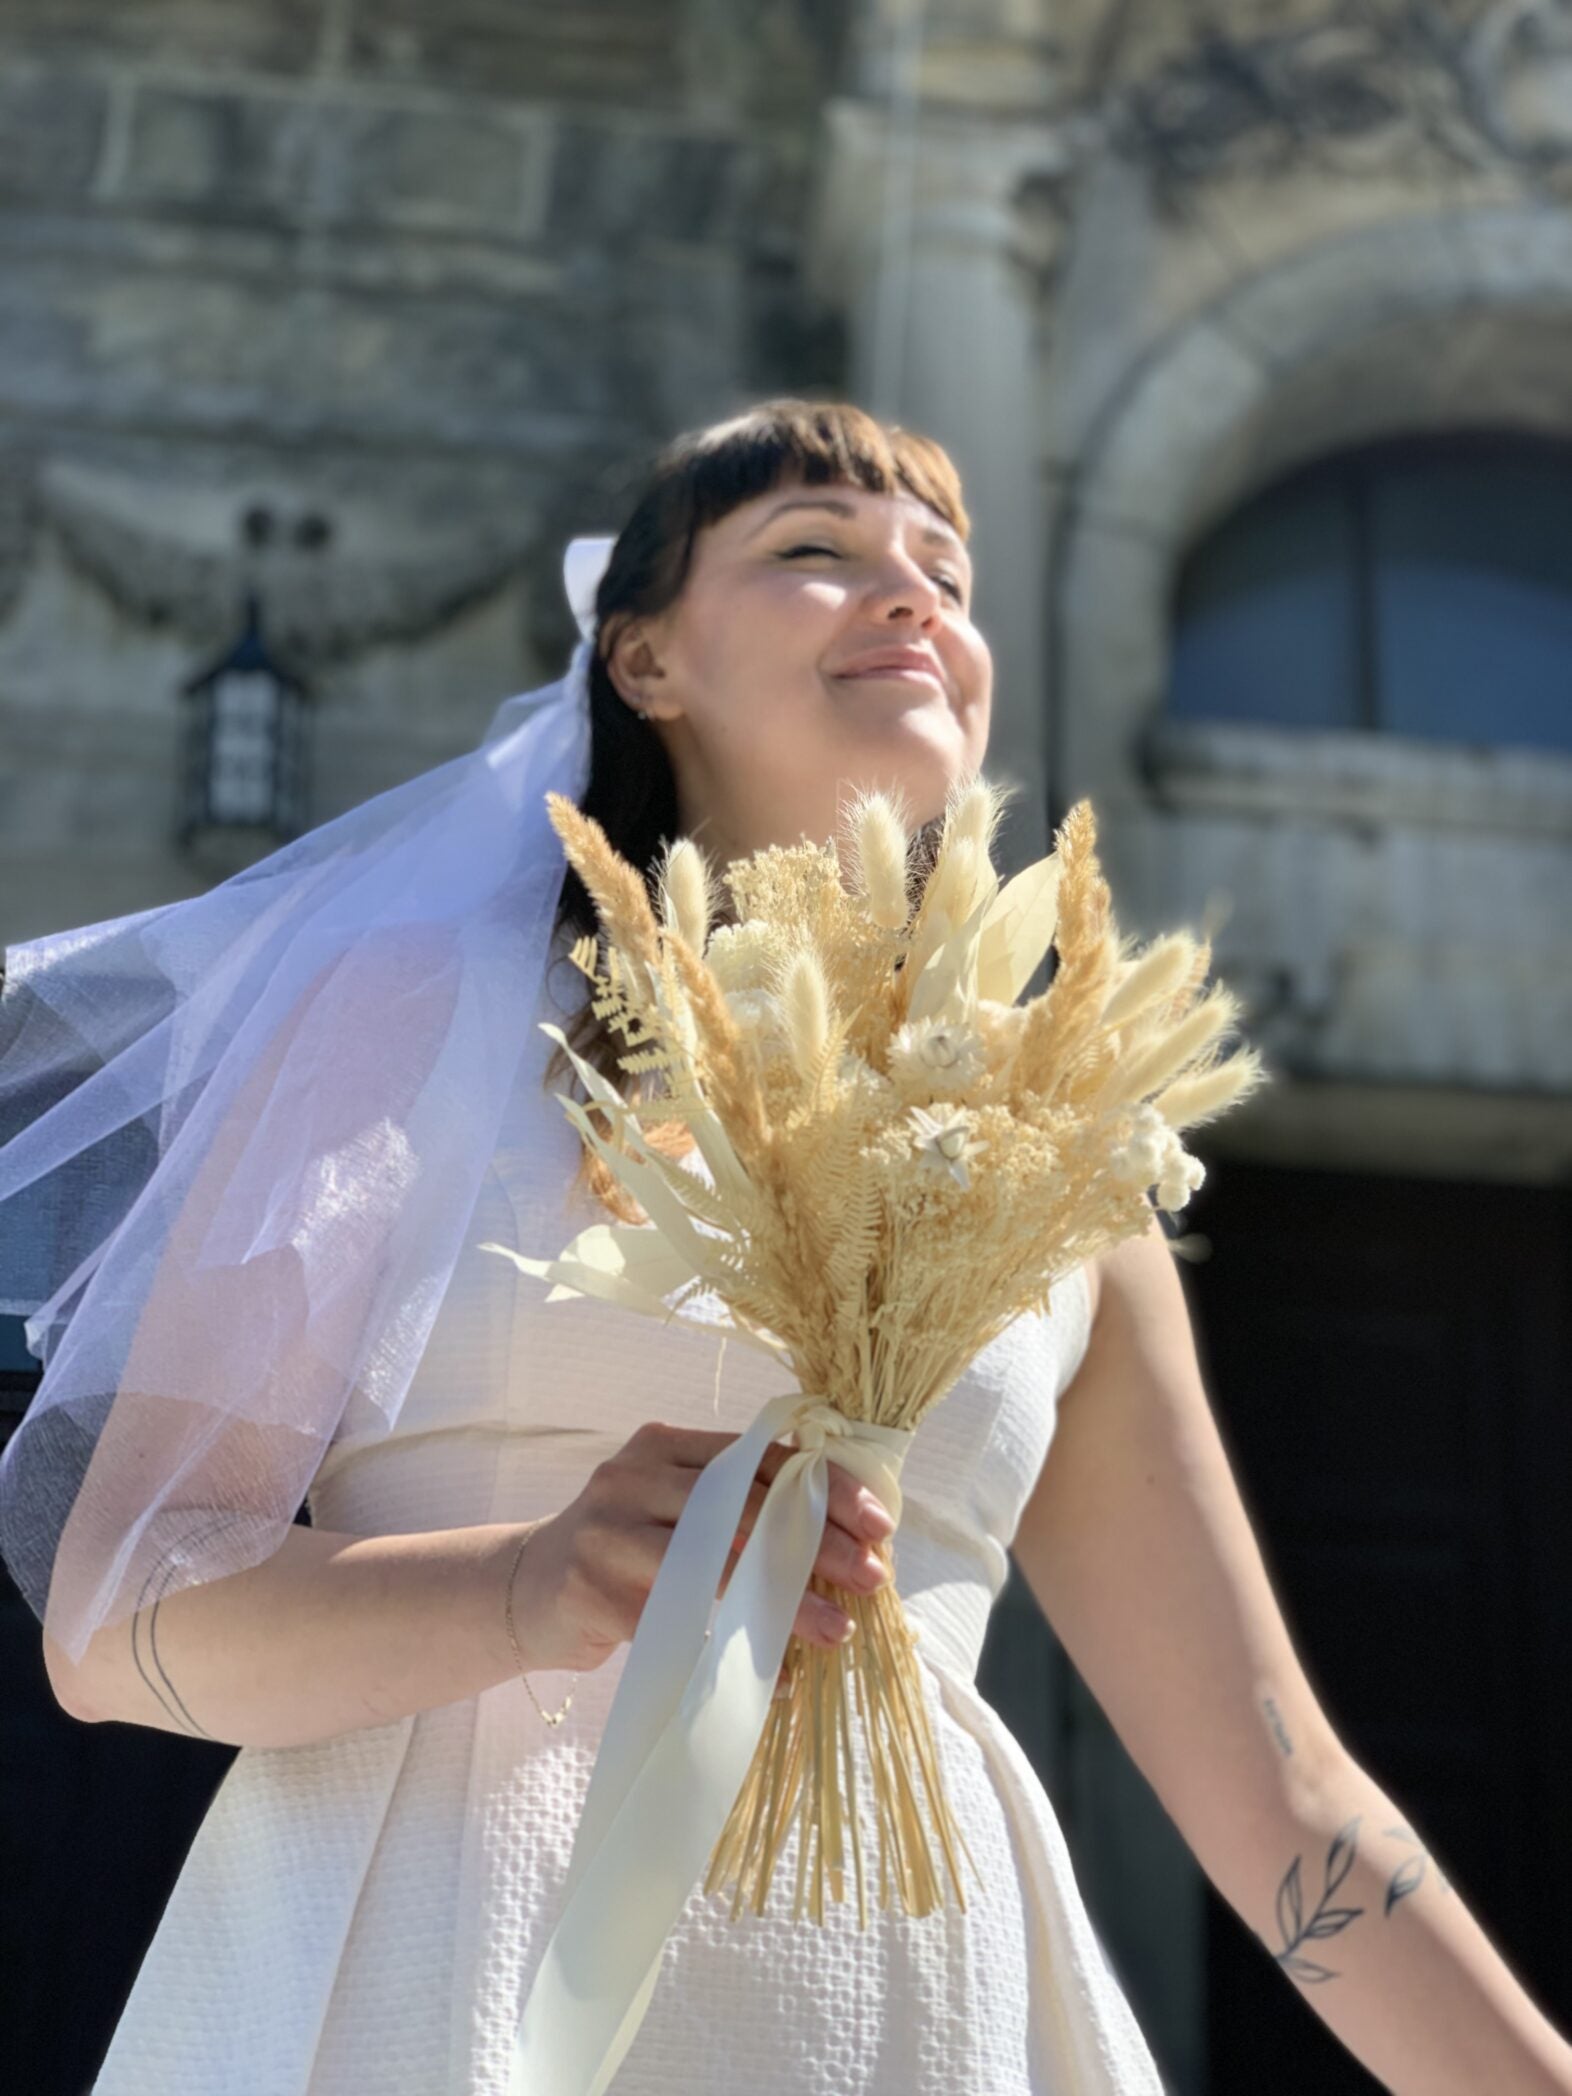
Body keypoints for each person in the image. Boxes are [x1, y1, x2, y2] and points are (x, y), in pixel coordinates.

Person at [16, 399, 1572, 2095]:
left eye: (948, 575)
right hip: (437, 1958)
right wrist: (521, 1586)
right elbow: (119, 1616)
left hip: (918, 1993)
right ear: (642, 661)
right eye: (816, 553)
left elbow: (1287, 1803)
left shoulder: (1070, 1166)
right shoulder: (398, 1019)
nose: (911, 601)